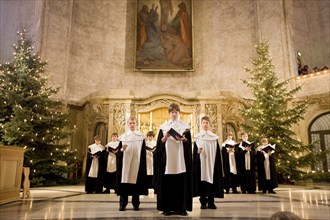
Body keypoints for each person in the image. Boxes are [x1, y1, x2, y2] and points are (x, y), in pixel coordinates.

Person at [154, 103, 192, 216]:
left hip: (181, 160)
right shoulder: (164, 127)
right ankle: (167, 208)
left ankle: (182, 208)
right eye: (172, 112)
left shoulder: (185, 127)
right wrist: (165, 137)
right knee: (167, 184)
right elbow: (159, 145)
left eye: (176, 112)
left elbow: (189, 145)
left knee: (181, 183)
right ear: (169, 114)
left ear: (179, 113)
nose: (174, 114)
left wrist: (184, 140)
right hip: (168, 161)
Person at [116, 116, 148, 211]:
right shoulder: (123, 137)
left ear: (136, 124)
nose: (132, 125)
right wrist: (122, 149)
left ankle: (136, 204)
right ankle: (123, 204)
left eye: (134, 123)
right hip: (125, 165)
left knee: (136, 185)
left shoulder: (141, 137)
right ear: (127, 124)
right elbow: (119, 152)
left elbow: (143, 152)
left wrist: (142, 165)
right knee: (124, 184)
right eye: (130, 123)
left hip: (137, 164)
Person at [192, 116, 224, 209]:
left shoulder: (214, 138)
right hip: (201, 163)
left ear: (209, 124)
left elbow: (217, 154)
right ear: (201, 124)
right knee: (202, 181)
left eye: (207, 123)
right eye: (204, 123)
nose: (205, 124)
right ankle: (203, 202)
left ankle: (211, 202)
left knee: (211, 181)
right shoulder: (198, 137)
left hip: (211, 163)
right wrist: (198, 151)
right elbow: (195, 153)